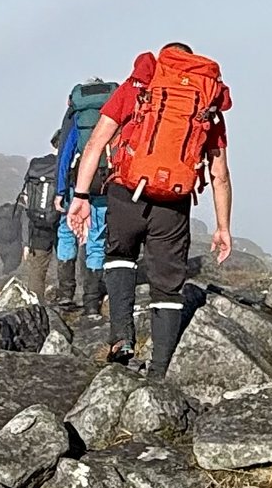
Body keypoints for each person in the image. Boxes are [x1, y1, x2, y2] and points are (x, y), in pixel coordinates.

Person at [67, 43, 233, 377]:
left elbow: (97, 142)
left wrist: (81, 196)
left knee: (120, 257)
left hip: (126, 192)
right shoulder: (205, 99)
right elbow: (220, 174)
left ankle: (122, 338)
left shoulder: (141, 84)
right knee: (167, 286)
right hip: (173, 204)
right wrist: (222, 226)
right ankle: (159, 371)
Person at [49, 78, 118, 319]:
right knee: (97, 238)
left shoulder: (76, 113)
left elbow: (65, 154)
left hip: (75, 185)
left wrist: (60, 191)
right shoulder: (113, 109)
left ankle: (66, 294)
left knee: (66, 233)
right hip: (103, 185)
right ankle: (91, 302)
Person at [13, 152, 61, 301]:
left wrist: (26, 243)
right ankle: (67, 300)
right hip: (62, 220)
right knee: (67, 260)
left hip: (38, 225)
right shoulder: (66, 166)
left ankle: (35, 304)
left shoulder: (37, 169)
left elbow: (25, 209)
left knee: (37, 268)